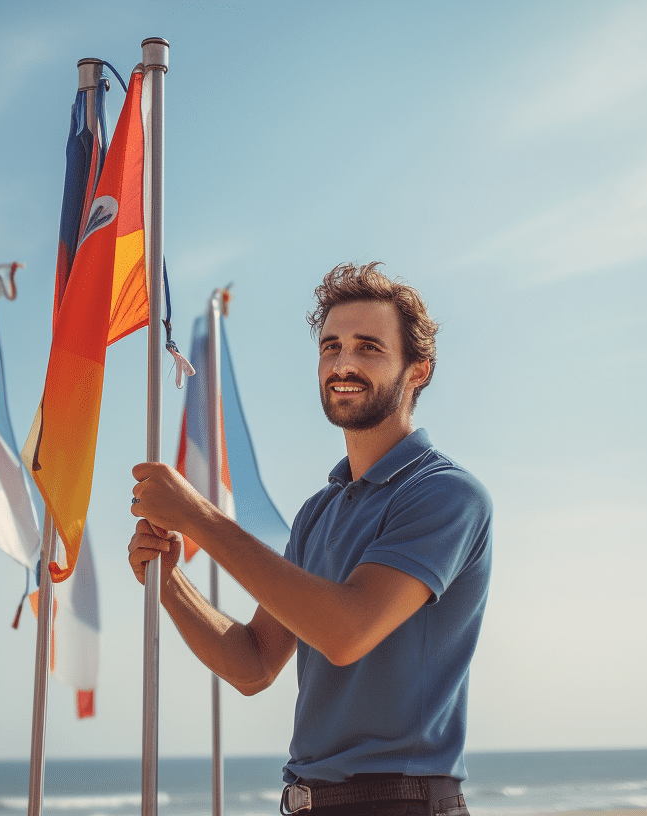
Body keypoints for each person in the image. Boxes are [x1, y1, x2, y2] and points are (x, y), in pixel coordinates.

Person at [128, 262, 492, 816]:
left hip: (401, 802)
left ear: (418, 370)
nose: (343, 363)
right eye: (331, 347)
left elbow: (346, 632)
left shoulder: (446, 494)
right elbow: (252, 664)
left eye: (369, 347)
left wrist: (199, 518)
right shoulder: (318, 512)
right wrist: (169, 581)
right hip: (308, 803)